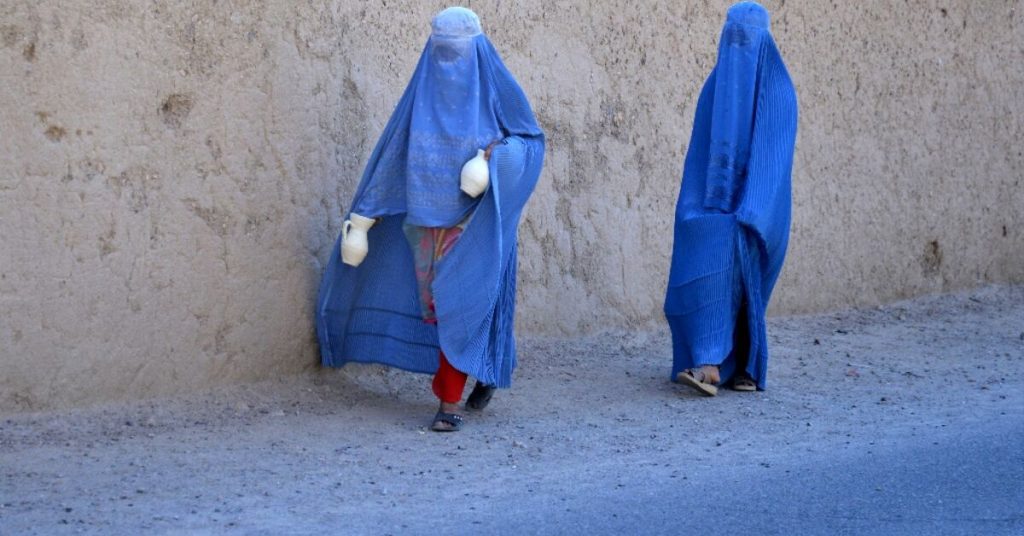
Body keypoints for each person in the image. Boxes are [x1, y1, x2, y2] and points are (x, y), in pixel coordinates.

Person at [316, 7, 545, 431]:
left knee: (455, 305)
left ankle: (448, 403)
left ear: (477, 50)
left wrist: (496, 157)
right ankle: (488, 364)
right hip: (422, 223)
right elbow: (392, 155)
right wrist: (363, 219)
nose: (449, 62)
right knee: (443, 309)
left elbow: (531, 142)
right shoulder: (420, 97)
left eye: (457, 52)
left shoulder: (497, 90)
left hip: (475, 224)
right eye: (442, 52)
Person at [664, 1, 798, 396]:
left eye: (746, 40)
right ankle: (707, 362)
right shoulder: (715, 89)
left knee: (743, 270)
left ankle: (742, 367)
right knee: (705, 248)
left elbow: (773, 162)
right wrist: (693, 210)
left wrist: (751, 212)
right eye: (732, 39)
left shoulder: (780, 94)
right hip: (710, 205)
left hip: (761, 211)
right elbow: (699, 157)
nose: (738, 48)